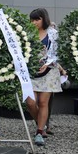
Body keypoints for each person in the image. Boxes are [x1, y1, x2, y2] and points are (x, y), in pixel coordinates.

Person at [25, 8, 62, 146]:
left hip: (49, 71)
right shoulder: (28, 33)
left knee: (42, 102)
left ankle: (39, 132)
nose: (34, 22)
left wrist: (47, 63)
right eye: (32, 20)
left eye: (37, 19)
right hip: (31, 71)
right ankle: (42, 124)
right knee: (30, 101)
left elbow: (58, 52)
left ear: (44, 19)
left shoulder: (53, 33)